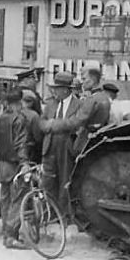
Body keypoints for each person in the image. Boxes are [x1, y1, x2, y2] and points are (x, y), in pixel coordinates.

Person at [0, 88, 31, 249]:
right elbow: (21, 143)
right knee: (18, 198)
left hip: (3, 163)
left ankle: (5, 231)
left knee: (5, 198)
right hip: (15, 163)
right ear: (19, 102)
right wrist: (25, 163)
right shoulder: (20, 119)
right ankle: (11, 235)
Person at [39, 71, 81, 212]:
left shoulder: (78, 105)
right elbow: (41, 123)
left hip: (67, 148)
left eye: (56, 88)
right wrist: (49, 125)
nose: (54, 91)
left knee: (65, 181)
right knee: (48, 181)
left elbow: (76, 124)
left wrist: (56, 124)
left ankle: (64, 215)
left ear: (65, 89)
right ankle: (49, 213)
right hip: (49, 146)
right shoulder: (50, 104)